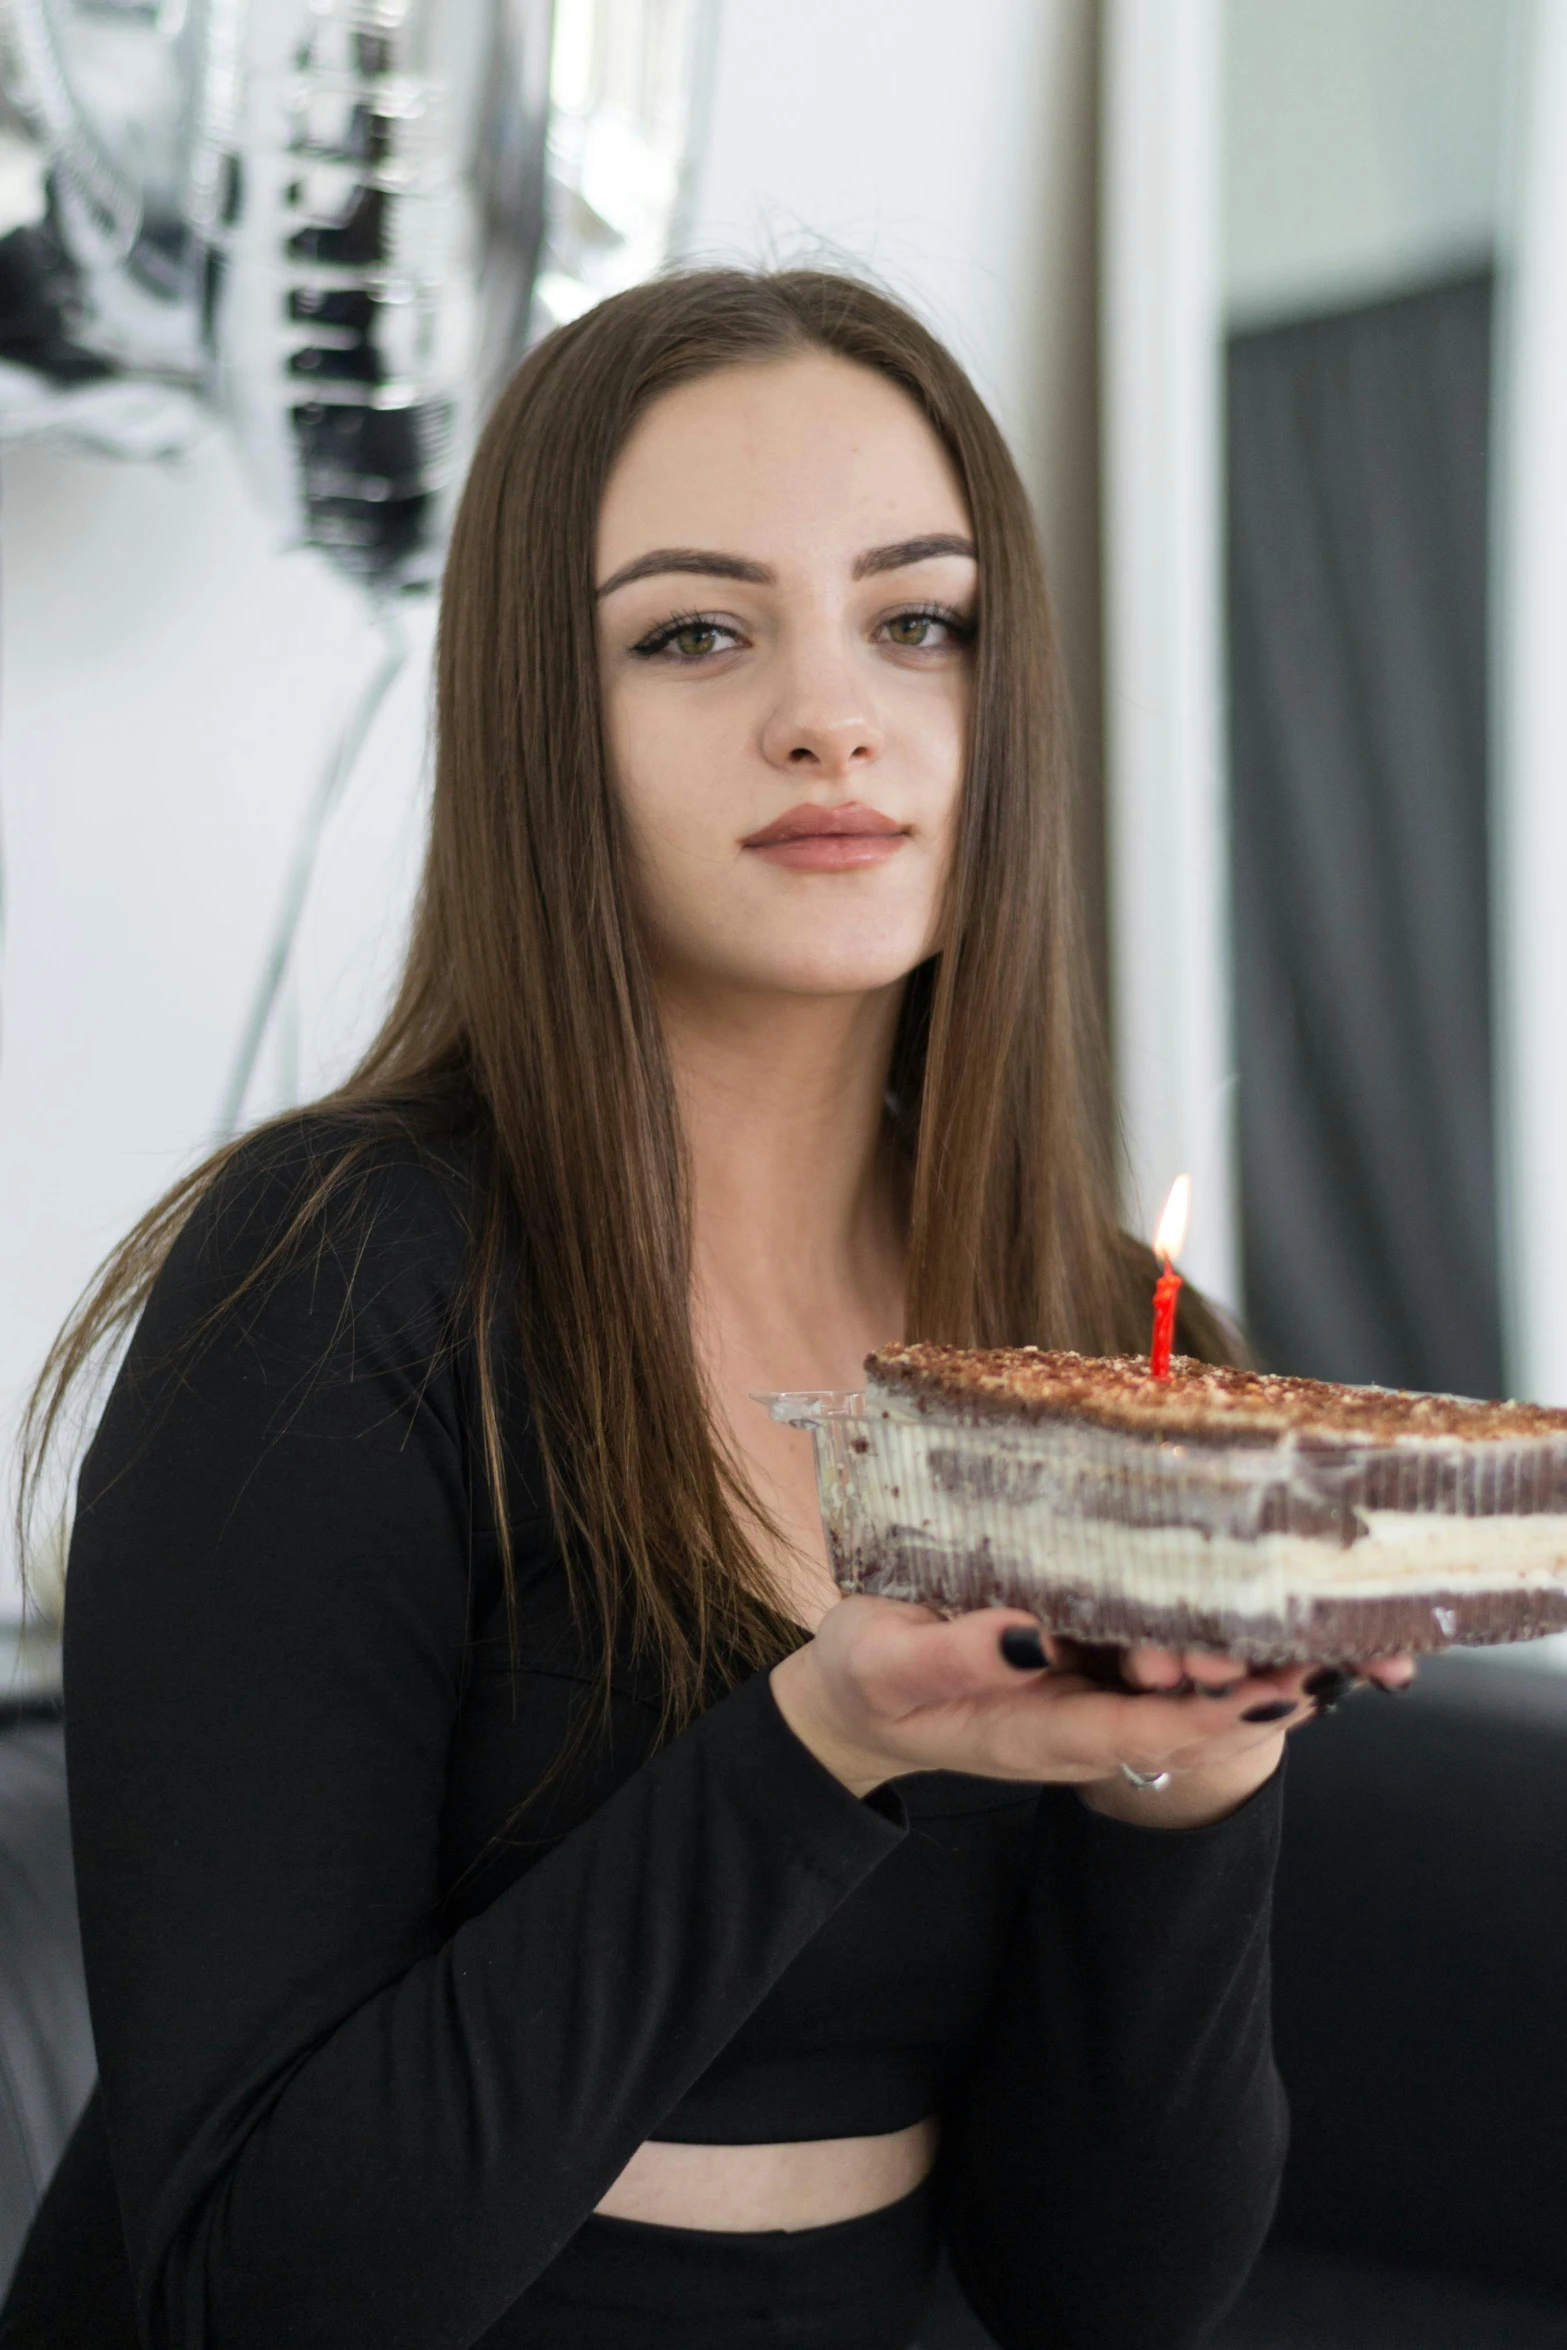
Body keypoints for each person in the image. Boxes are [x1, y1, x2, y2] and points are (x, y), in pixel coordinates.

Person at [3, 269, 1410, 2350]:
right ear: (538, 723)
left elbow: (1108, 2287)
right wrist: (830, 1734)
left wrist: (1185, 1794)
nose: (833, 714)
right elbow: (259, 2287)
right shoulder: (323, 1291)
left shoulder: (1110, 1328)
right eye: (695, 631)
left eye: (916, 620)